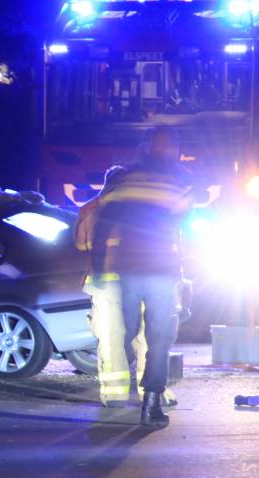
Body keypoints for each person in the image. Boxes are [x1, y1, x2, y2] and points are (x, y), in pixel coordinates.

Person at [93, 127, 196, 426]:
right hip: (162, 270)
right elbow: (184, 222)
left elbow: (103, 222)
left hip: (129, 268)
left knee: (126, 331)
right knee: (159, 339)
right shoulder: (182, 180)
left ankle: (125, 384)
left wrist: (100, 265)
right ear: (173, 150)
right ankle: (151, 403)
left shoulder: (126, 177)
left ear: (145, 148)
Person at [75, 167, 177, 407]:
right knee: (148, 336)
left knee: (111, 338)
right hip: (141, 277)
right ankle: (152, 392)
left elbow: (81, 244)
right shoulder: (146, 207)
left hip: (107, 283)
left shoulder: (92, 209)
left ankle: (114, 394)